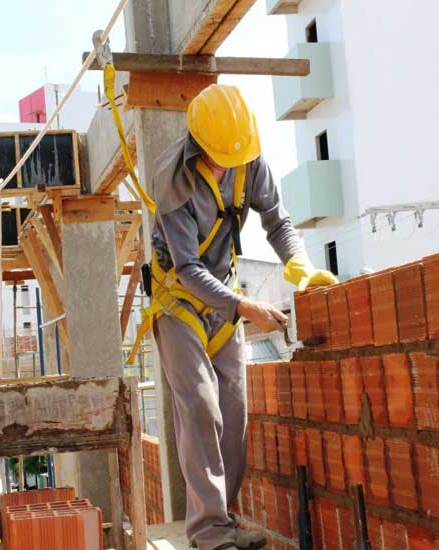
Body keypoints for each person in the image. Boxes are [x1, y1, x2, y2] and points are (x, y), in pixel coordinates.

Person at [148, 84, 337, 550]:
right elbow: (188, 268)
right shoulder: (173, 176)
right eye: (217, 159)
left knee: (233, 414)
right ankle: (207, 531)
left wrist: (301, 268)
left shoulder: (248, 159)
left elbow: (276, 219)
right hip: (181, 302)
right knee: (199, 406)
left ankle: (224, 522)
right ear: (199, 145)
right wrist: (244, 307)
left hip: (227, 295)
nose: (226, 167)